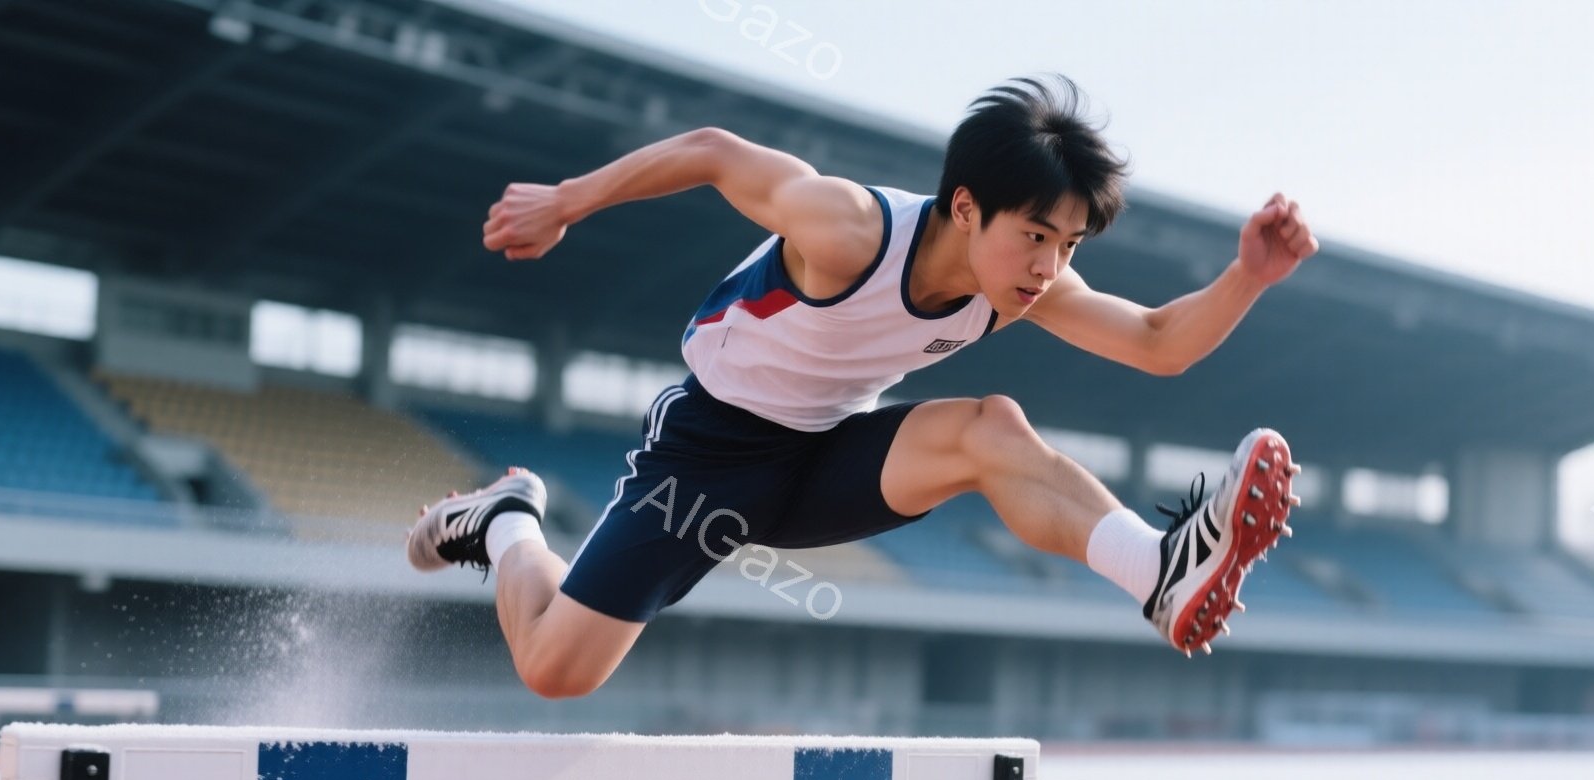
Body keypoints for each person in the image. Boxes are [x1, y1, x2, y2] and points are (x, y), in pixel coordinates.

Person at [409, 76, 1315, 699]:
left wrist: (1250, 277)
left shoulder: (1021, 288)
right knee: (556, 670)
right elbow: (714, 151)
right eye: (1037, 236)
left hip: (829, 455)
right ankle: (508, 518)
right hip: (707, 457)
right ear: (967, 206)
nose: (1049, 267)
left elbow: (1157, 343)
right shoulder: (848, 232)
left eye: (1069, 245)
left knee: (991, 427)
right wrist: (565, 201)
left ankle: (1155, 570)